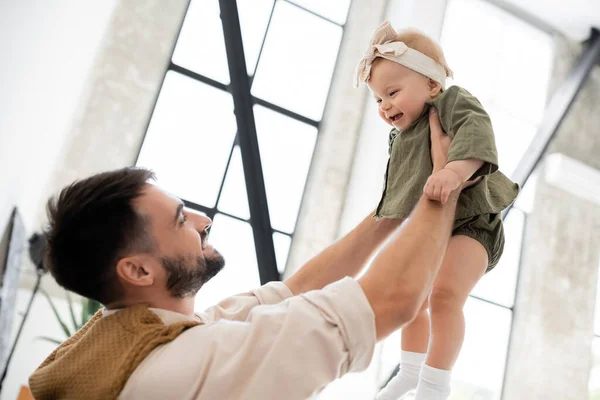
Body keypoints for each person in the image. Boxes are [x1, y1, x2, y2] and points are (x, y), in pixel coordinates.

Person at [29, 111, 465, 400]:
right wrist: (444, 185)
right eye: (181, 220)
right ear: (139, 269)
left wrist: (390, 208)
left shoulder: (141, 333)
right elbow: (390, 301)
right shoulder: (183, 367)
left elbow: (295, 291)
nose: (203, 220)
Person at [353, 21, 520, 400]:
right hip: (435, 229)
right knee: (414, 299)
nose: (385, 106)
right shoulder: (400, 137)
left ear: (431, 84)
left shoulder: (451, 102)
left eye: (392, 92)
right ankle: (410, 371)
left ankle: (435, 383)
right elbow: (401, 182)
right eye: (378, 100)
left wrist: (453, 171)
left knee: (445, 296)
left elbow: (477, 133)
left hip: (474, 224)